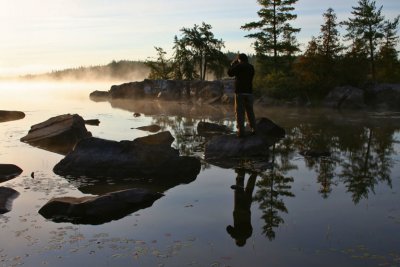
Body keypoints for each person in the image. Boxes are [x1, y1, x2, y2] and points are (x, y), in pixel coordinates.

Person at [228, 53, 256, 138]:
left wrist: (233, 65)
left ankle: (241, 132)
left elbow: (229, 73)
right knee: (250, 112)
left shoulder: (239, 66)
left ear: (239, 59)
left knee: (240, 112)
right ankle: (254, 129)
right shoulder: (251, 67)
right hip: (249, 92)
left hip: (240, 92)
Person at [226, 169, 257, 247]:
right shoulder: (236, 235)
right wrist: (233, 235)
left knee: (249, 192)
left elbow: (250, 227)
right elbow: (228, 228)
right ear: (238, 241)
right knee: (239, 192)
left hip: (247, 212)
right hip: (238, 211)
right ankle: (241, 173)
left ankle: (254, 174)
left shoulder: (248, 234)